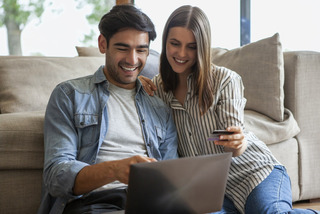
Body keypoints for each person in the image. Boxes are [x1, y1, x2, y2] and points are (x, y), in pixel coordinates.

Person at [140, 5, 320, 214]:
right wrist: (137, 87)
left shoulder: (225, 80)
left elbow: (234, 148)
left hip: (254, 173)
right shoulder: (159, 88)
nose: (181, 53)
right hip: (210, 189)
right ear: (165, 43)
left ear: (203, 47)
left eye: (192, 46)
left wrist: (237, 143)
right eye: (175, 44)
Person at [37, 4, 178, 214]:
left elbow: (171, 176)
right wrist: (115, 170)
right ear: (103, 44)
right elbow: (56, 176)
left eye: (141, 50)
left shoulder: (159, 107)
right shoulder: (69, 95)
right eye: (122, 48)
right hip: (92, 204)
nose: (132, 60)